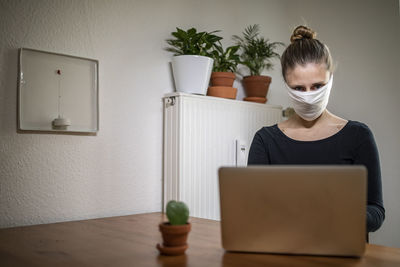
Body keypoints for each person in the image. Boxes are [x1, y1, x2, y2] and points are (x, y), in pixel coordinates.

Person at [247, 25, 385, 233]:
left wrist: (337, 216)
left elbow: (375, 211)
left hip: (342, 252)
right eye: (299, 89)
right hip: (284, 250)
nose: (308, 96)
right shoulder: (265, 140)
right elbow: (253, 210)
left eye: (317, 86)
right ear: (286, 85)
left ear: (330, 80)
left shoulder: (358, 136)